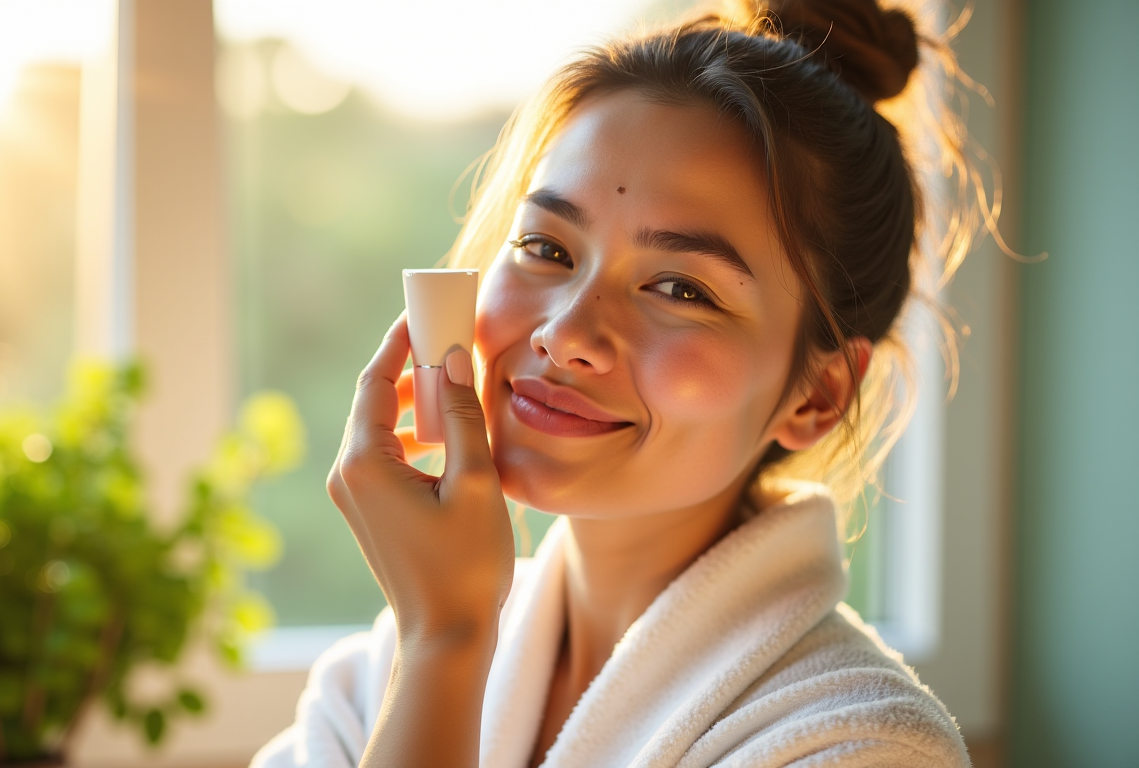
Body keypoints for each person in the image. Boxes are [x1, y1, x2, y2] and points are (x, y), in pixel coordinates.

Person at [254, 0, 981, 765]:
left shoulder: (867, 746)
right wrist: (438, 642)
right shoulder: (372, 685)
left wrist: (447, 638)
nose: (565, 335)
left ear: (817, 395)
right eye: (545, 246)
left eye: (681, 290)